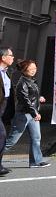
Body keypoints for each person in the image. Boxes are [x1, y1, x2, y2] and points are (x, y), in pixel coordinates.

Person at [3, 59, 50, 167]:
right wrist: (35, 113)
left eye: (35, 68)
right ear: (24, 70)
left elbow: (31, 96)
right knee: (11, 141)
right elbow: (25, 101)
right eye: (30, 69)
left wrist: (39, 97)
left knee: (36, 138)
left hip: (32, 114)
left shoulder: (31, 80)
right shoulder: (22, 83)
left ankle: (36, 162)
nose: (34, 70)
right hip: (23, 115)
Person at [0, 46, 14, 177]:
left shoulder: (7, 72)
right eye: (11, 55)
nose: (13, 58)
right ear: (3, 58)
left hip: (4, 109)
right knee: (2, 135)